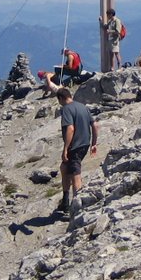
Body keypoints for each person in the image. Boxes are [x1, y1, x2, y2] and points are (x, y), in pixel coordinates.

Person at [56, 86, 99, 217]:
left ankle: (77, 207)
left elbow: (70, 129)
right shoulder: (82, 107)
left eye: (59, 100)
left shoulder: (67, 109)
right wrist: (94, 143)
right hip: (85, 144)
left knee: (75, 175)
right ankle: (65, 200)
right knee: (64, 167)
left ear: (61, 98)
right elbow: (95, 125)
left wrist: (65, 148)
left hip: (74, 146)